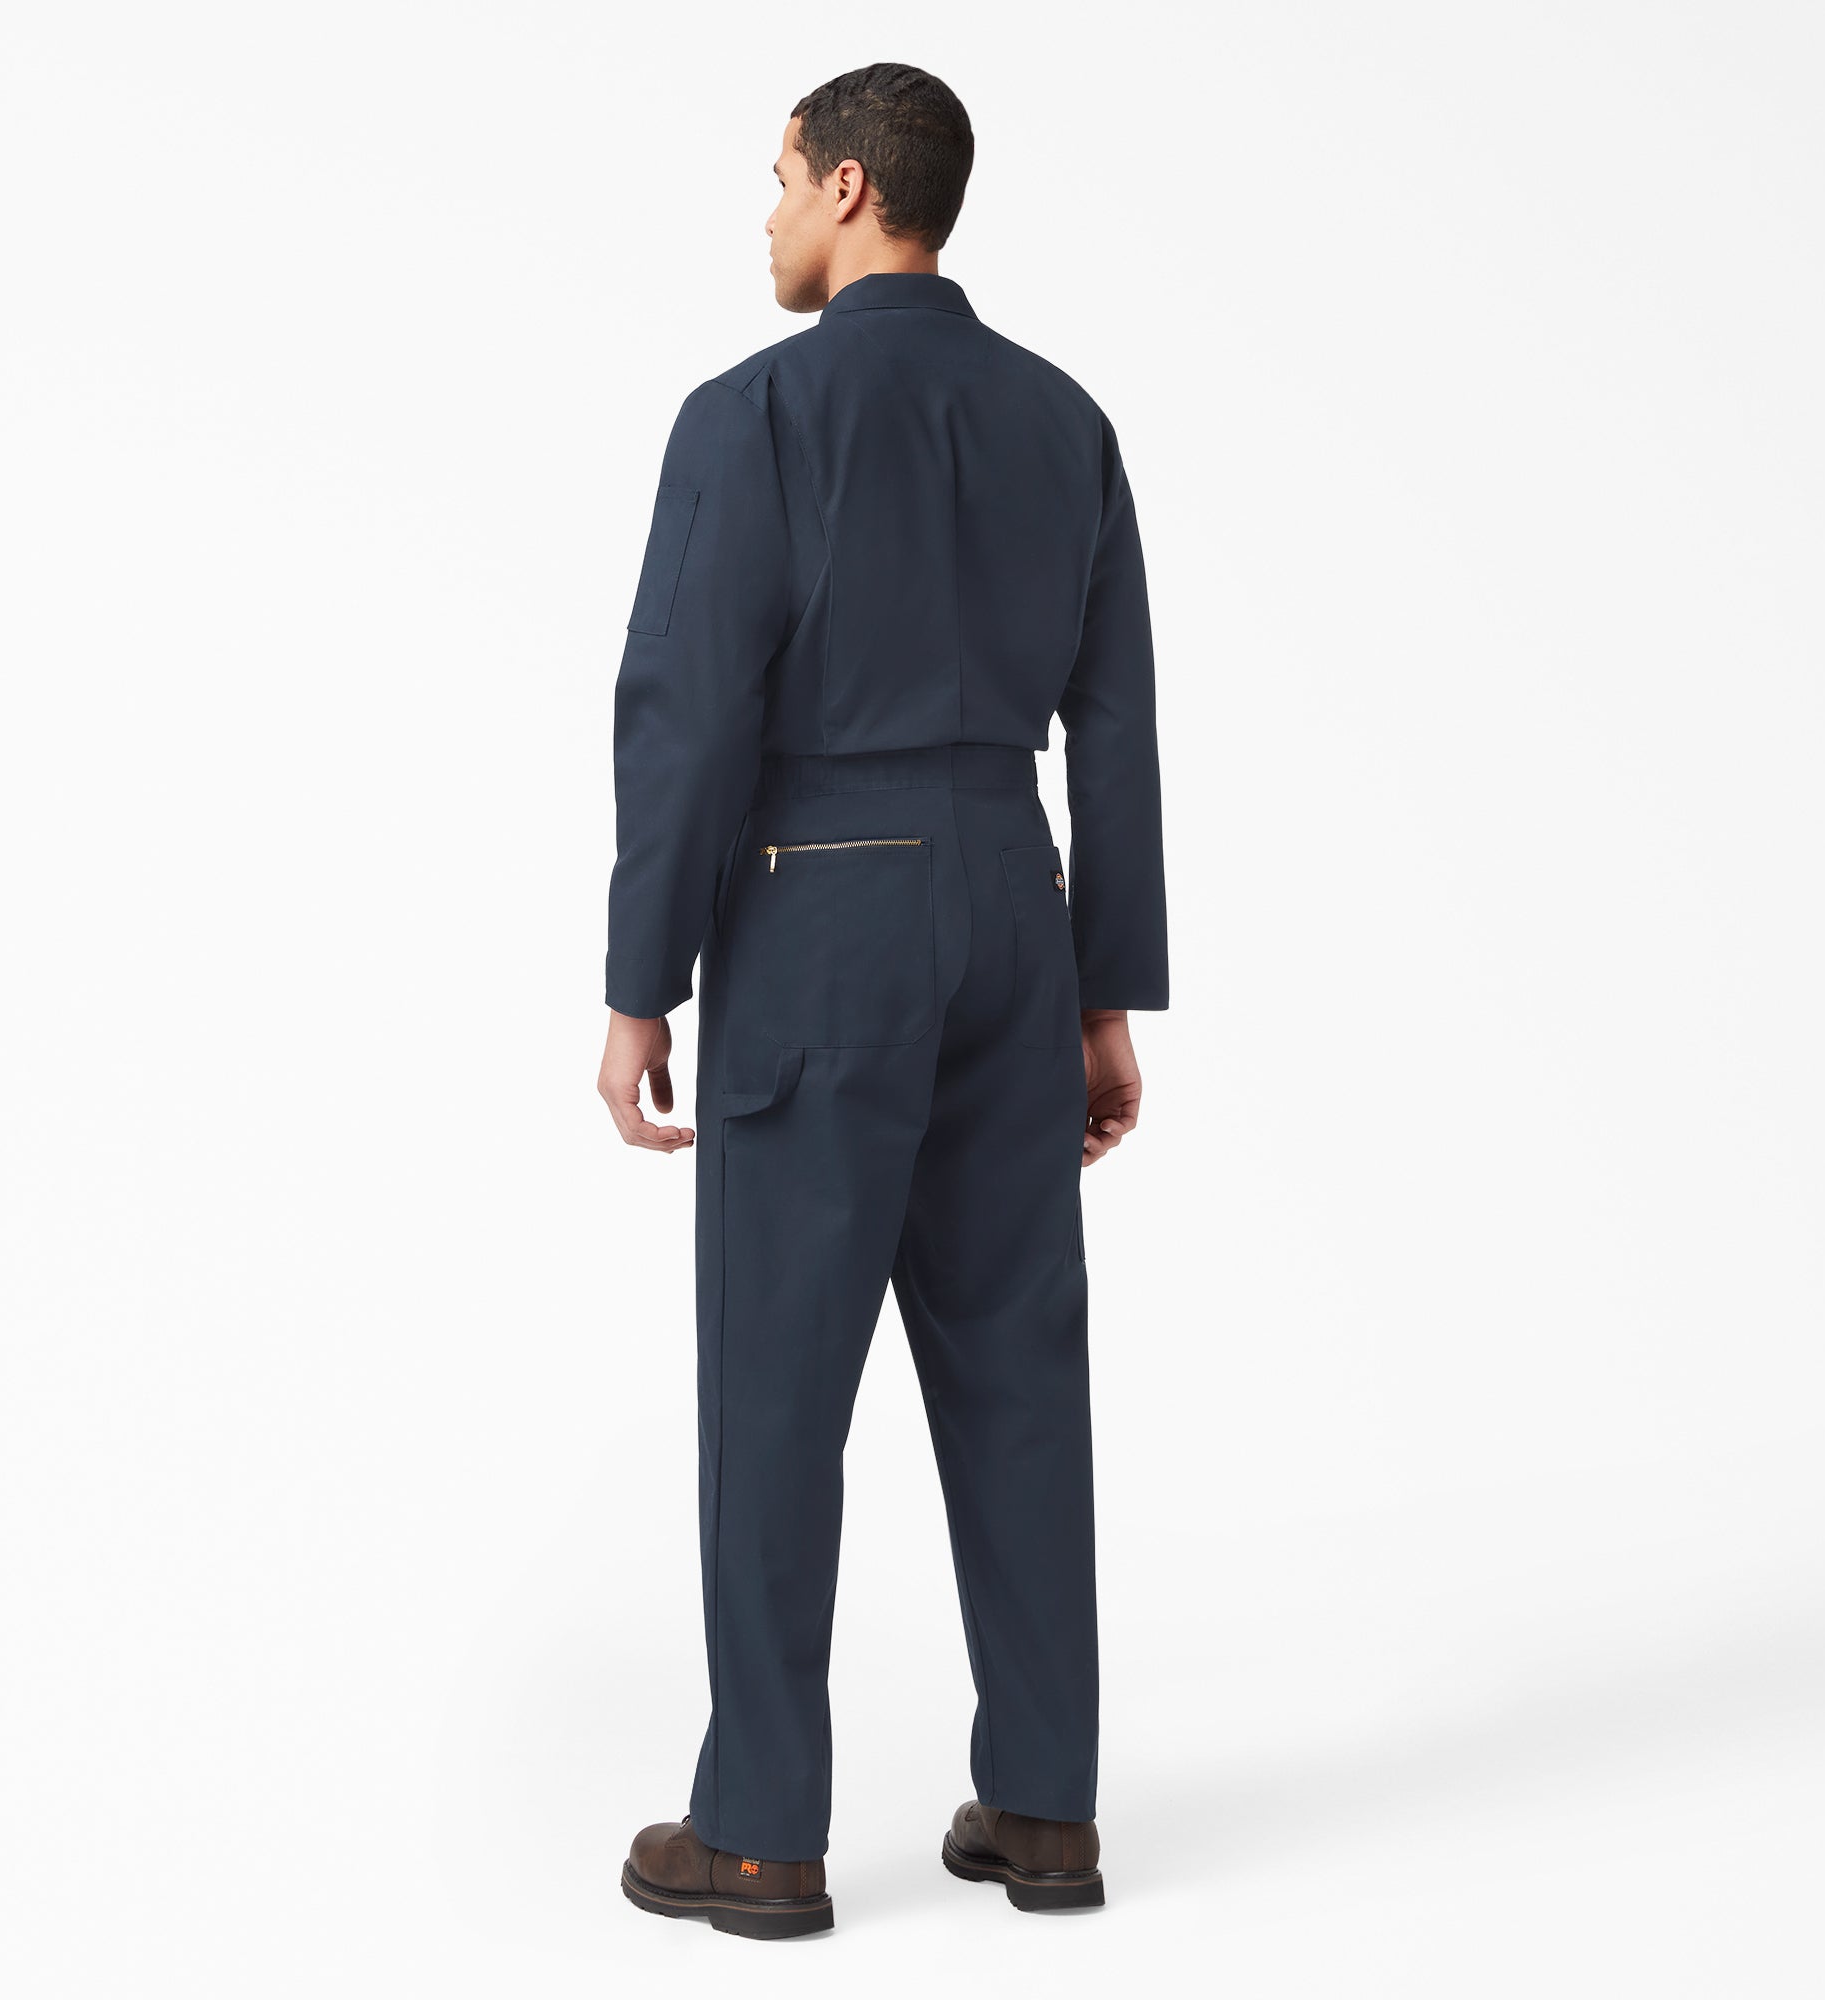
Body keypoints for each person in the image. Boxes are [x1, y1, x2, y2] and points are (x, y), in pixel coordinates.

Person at [599, 61, 1167, 1940]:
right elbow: (1116, 725)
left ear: (851, 189)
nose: (766, 214)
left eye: (779, 178)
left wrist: (641, 983)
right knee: (1021, 1370)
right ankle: (1048, 1810)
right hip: (1014, 897)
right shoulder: (1065, 422)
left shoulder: (751, 416)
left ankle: (763, 1833)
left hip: (823, 907)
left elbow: (688, 713)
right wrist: (1106, 992)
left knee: (779, 1381)